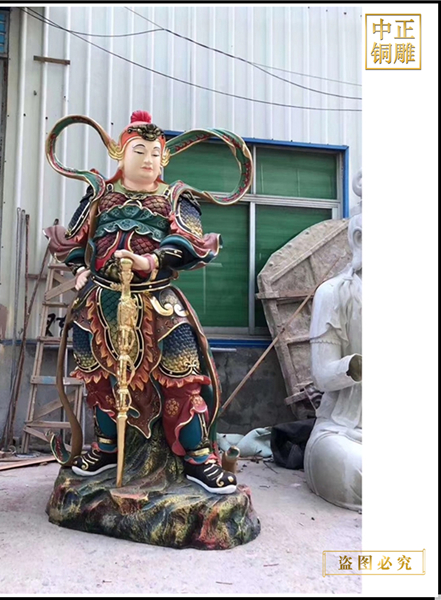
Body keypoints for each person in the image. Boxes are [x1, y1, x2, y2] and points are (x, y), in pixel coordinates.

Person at [45, 111, 252, 495]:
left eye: (156, 153)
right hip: (100, 301)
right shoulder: (99, 195)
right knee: (97, 378)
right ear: (120, 154)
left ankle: (197, 457)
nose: (148, 160)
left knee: (182, 375)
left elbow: (189, 243)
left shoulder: (176, 197)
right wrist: (82, 268)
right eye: (139, 151)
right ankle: (106, 448)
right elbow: (76, 241)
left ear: (164, 158)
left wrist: (151, 261)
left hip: (158, 300)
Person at [303, 191, 362, 511]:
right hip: (345, 429)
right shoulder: (334, 293)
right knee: (343, 464)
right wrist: (354, 367)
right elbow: (323, 376)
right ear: (360, 237)